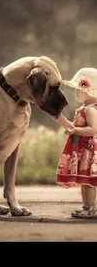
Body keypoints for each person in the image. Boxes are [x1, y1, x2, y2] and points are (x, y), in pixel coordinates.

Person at [54, 67, 97, 218]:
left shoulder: (91, 109)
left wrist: (76, 132)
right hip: (81, 150)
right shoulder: (82, 108)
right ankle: (86, 206)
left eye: (79, 89)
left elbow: (92, 130)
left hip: (88, 151)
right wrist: (61, 119)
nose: (76, 92)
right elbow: (73, 127)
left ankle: (92, 207)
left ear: (89, 90)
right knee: (84, 180)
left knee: (89, 182)